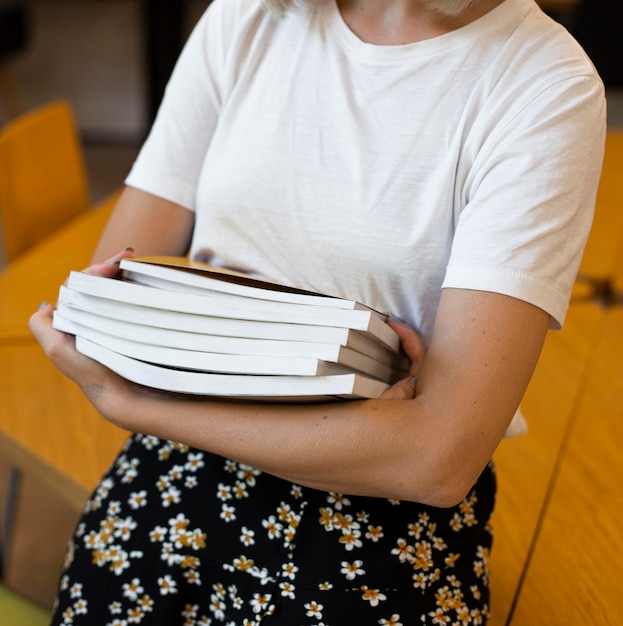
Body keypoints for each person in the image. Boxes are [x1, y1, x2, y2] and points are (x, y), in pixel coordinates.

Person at [29, 0, 606, 623]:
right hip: (180, 461)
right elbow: (114, 300)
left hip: (372, 513)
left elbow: (436, 461)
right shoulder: (246, 18)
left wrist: (146, 403)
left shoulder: (546, 85)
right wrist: (340, 400)